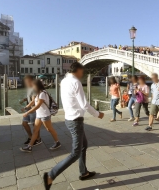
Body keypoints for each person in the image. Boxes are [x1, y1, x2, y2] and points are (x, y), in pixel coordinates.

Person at [43, 62, 104, 190]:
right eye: (82, 72)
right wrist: (97, 114)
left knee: (84, 145)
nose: (82, 74)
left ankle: (84, 172)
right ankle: (51, 175)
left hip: (69, 118)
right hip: (76, 120)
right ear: (78, 70)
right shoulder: (76, 82)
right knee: (75, 153)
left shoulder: (64, 81)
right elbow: (84, 104)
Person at [20, 79, 61, 152]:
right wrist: (26, 107)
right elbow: (33, 102)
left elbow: (37, 106)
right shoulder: (38, 93)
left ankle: (57, 142)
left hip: (45, 115)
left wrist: (27, 112)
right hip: (39, 115)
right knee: (35, 130)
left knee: (49, 129)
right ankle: (30, 146)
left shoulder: (42, 93)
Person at [20, 75, 41, 145]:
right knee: (24, 123)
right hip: (28, 109)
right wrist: (24, 100)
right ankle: (31, 137)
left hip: (33, 110)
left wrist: (26, 107)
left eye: (28, 81)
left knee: (34, 125)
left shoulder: (34, 88)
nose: (26, 83)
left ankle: (38, 139)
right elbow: (29, 98)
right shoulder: (29, 89)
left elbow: (33, 100)